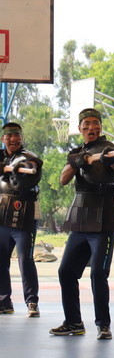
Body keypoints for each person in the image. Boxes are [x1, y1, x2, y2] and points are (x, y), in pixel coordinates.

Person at [50, 108, 114, 340]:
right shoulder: (76, 152)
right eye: (86, 125)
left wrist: (106, 160)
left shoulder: (109, 148)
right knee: (66, 272)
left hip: (103, 218)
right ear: (80, 129)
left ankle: (103, 324)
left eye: (95, 123)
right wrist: (77, 161)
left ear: (100, 127)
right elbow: (63, 179)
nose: (91, 127)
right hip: (80, 218)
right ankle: (73, 322)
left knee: (98, 274)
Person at [0, 122, 43, 317]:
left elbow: (33, 167)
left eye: (16, 135)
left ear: (21, 138)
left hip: (24, 211)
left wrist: (19, 168)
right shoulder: (2, 157)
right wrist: (6, 168)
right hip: (2, 213)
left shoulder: (28, 157)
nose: (12, 139)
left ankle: (32, 301)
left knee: (25, 259)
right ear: (3, 139)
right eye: (8, 136)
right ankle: (4, 300)